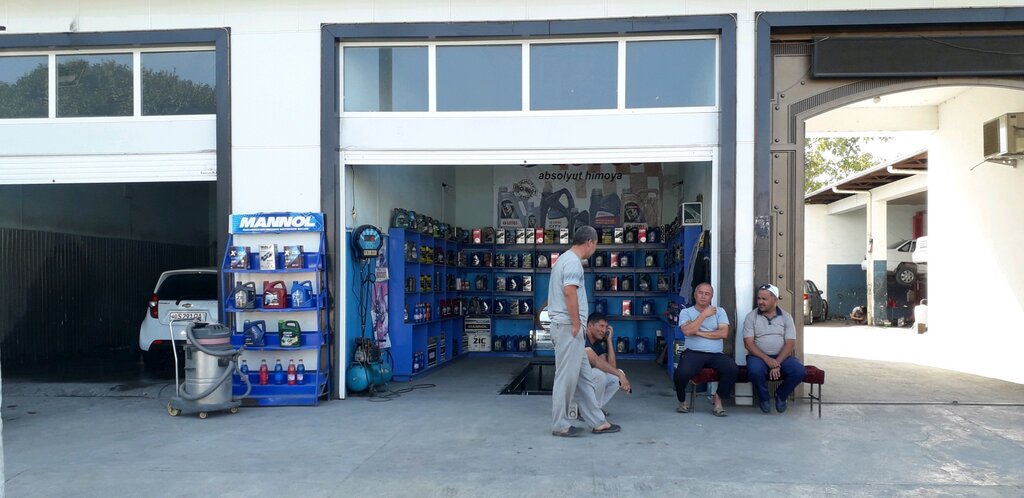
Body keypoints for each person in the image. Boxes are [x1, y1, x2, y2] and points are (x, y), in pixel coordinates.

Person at [548, 226, 620, 437]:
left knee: (584, 377)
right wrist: (576, 324)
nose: (594, 248)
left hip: (569, 328)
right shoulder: (572, 262)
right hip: (568, 328)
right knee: (565, 379)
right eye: (595, 244)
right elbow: (569, 292)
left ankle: (598, 422)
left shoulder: (564, 259)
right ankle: (560, 425)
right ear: (589, 242)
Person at [672, 282, 738, 417]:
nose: (703, 296)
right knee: (681, 373)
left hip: (715, 354)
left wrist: (698, 332)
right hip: (693, 353)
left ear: (711, 297)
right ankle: (682, 401)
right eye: (700, 293)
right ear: (695, 295)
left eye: (707, 294)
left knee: (732, 368)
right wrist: (703, 315)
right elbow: (687, 331)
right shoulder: (686, 312)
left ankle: (718, 400)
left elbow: (723, 333)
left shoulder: (720, 311)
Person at [742, 284, 806, 414]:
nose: (760, 302)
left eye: (764, 299)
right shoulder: (751, 317)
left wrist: (776, 363)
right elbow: (748, 344)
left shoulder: (786, 317)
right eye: (759, 298)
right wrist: (768, 360)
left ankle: (781, 395)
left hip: (782, 357)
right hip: (759, 357)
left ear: (775, 299)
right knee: (755, 371)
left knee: (799, 371)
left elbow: (790, 344)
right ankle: (764, 398)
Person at [582, 312, 631, 413]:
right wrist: (620, 375)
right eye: (601, 326)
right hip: (574, 383)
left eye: (606, 327)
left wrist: (609, 340)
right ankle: (591, 411)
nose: (604, 330)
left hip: (586, 381)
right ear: (590, 326)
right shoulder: (583, 339)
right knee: (600, 374)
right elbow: (597, 362)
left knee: (615, 377)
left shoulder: (596, 343)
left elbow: (611, 367)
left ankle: (594, 409)